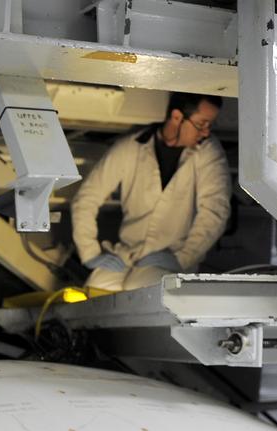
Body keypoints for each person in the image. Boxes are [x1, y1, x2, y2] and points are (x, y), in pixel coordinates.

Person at [71, 92, 232, 293]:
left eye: (210, 125)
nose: (206, 132)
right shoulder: (131, 146)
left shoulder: (208, 152)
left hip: (170, 257)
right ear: (176, 117)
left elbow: (215, 212)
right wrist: (90, 254)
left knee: (143, 289)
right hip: (127, 255)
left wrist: (182, 258)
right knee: (95, 291)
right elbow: (86, 199)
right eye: (201, 124)